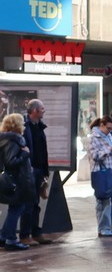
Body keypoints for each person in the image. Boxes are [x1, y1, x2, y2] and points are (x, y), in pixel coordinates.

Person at [0, 113, 37, 251]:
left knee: (16, 208)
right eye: (22, 123)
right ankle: (10, 239)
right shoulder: (13, 140)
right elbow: (11, 161)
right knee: (17, 208)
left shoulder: (6, 139)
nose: (24, 126)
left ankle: (4, 236)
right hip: (17, 181)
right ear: (16, 125)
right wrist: (25, 153)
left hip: (13, 180)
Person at [20, 99, 53, 245]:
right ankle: (24, 235)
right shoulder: (24, 126)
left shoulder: (39, 126)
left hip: (39, 170)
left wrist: (45, 171)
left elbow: (42, 149)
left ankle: (36, 233)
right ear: (35, 110)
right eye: (42, 108)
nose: (44, 111)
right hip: (29, 171)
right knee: (28, 204)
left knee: (36, 204)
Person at [88, 115, 112, 238]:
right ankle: (104, 228)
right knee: (104, 201)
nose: (110, 131)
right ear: (102, 125)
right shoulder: (93, 138)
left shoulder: (109, 136)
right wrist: (110, 149)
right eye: (108, 128)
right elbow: (94, 156)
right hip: (102, 173)